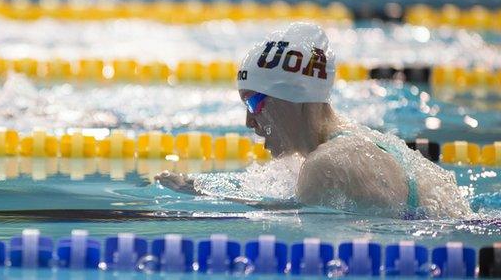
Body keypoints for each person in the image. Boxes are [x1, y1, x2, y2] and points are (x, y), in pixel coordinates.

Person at [156, 22, 472, 219]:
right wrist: (205, 190)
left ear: (294, 100)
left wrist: (204, 195)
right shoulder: (350, 139)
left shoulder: (326, 165)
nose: (250, 123)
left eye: (254, 103)